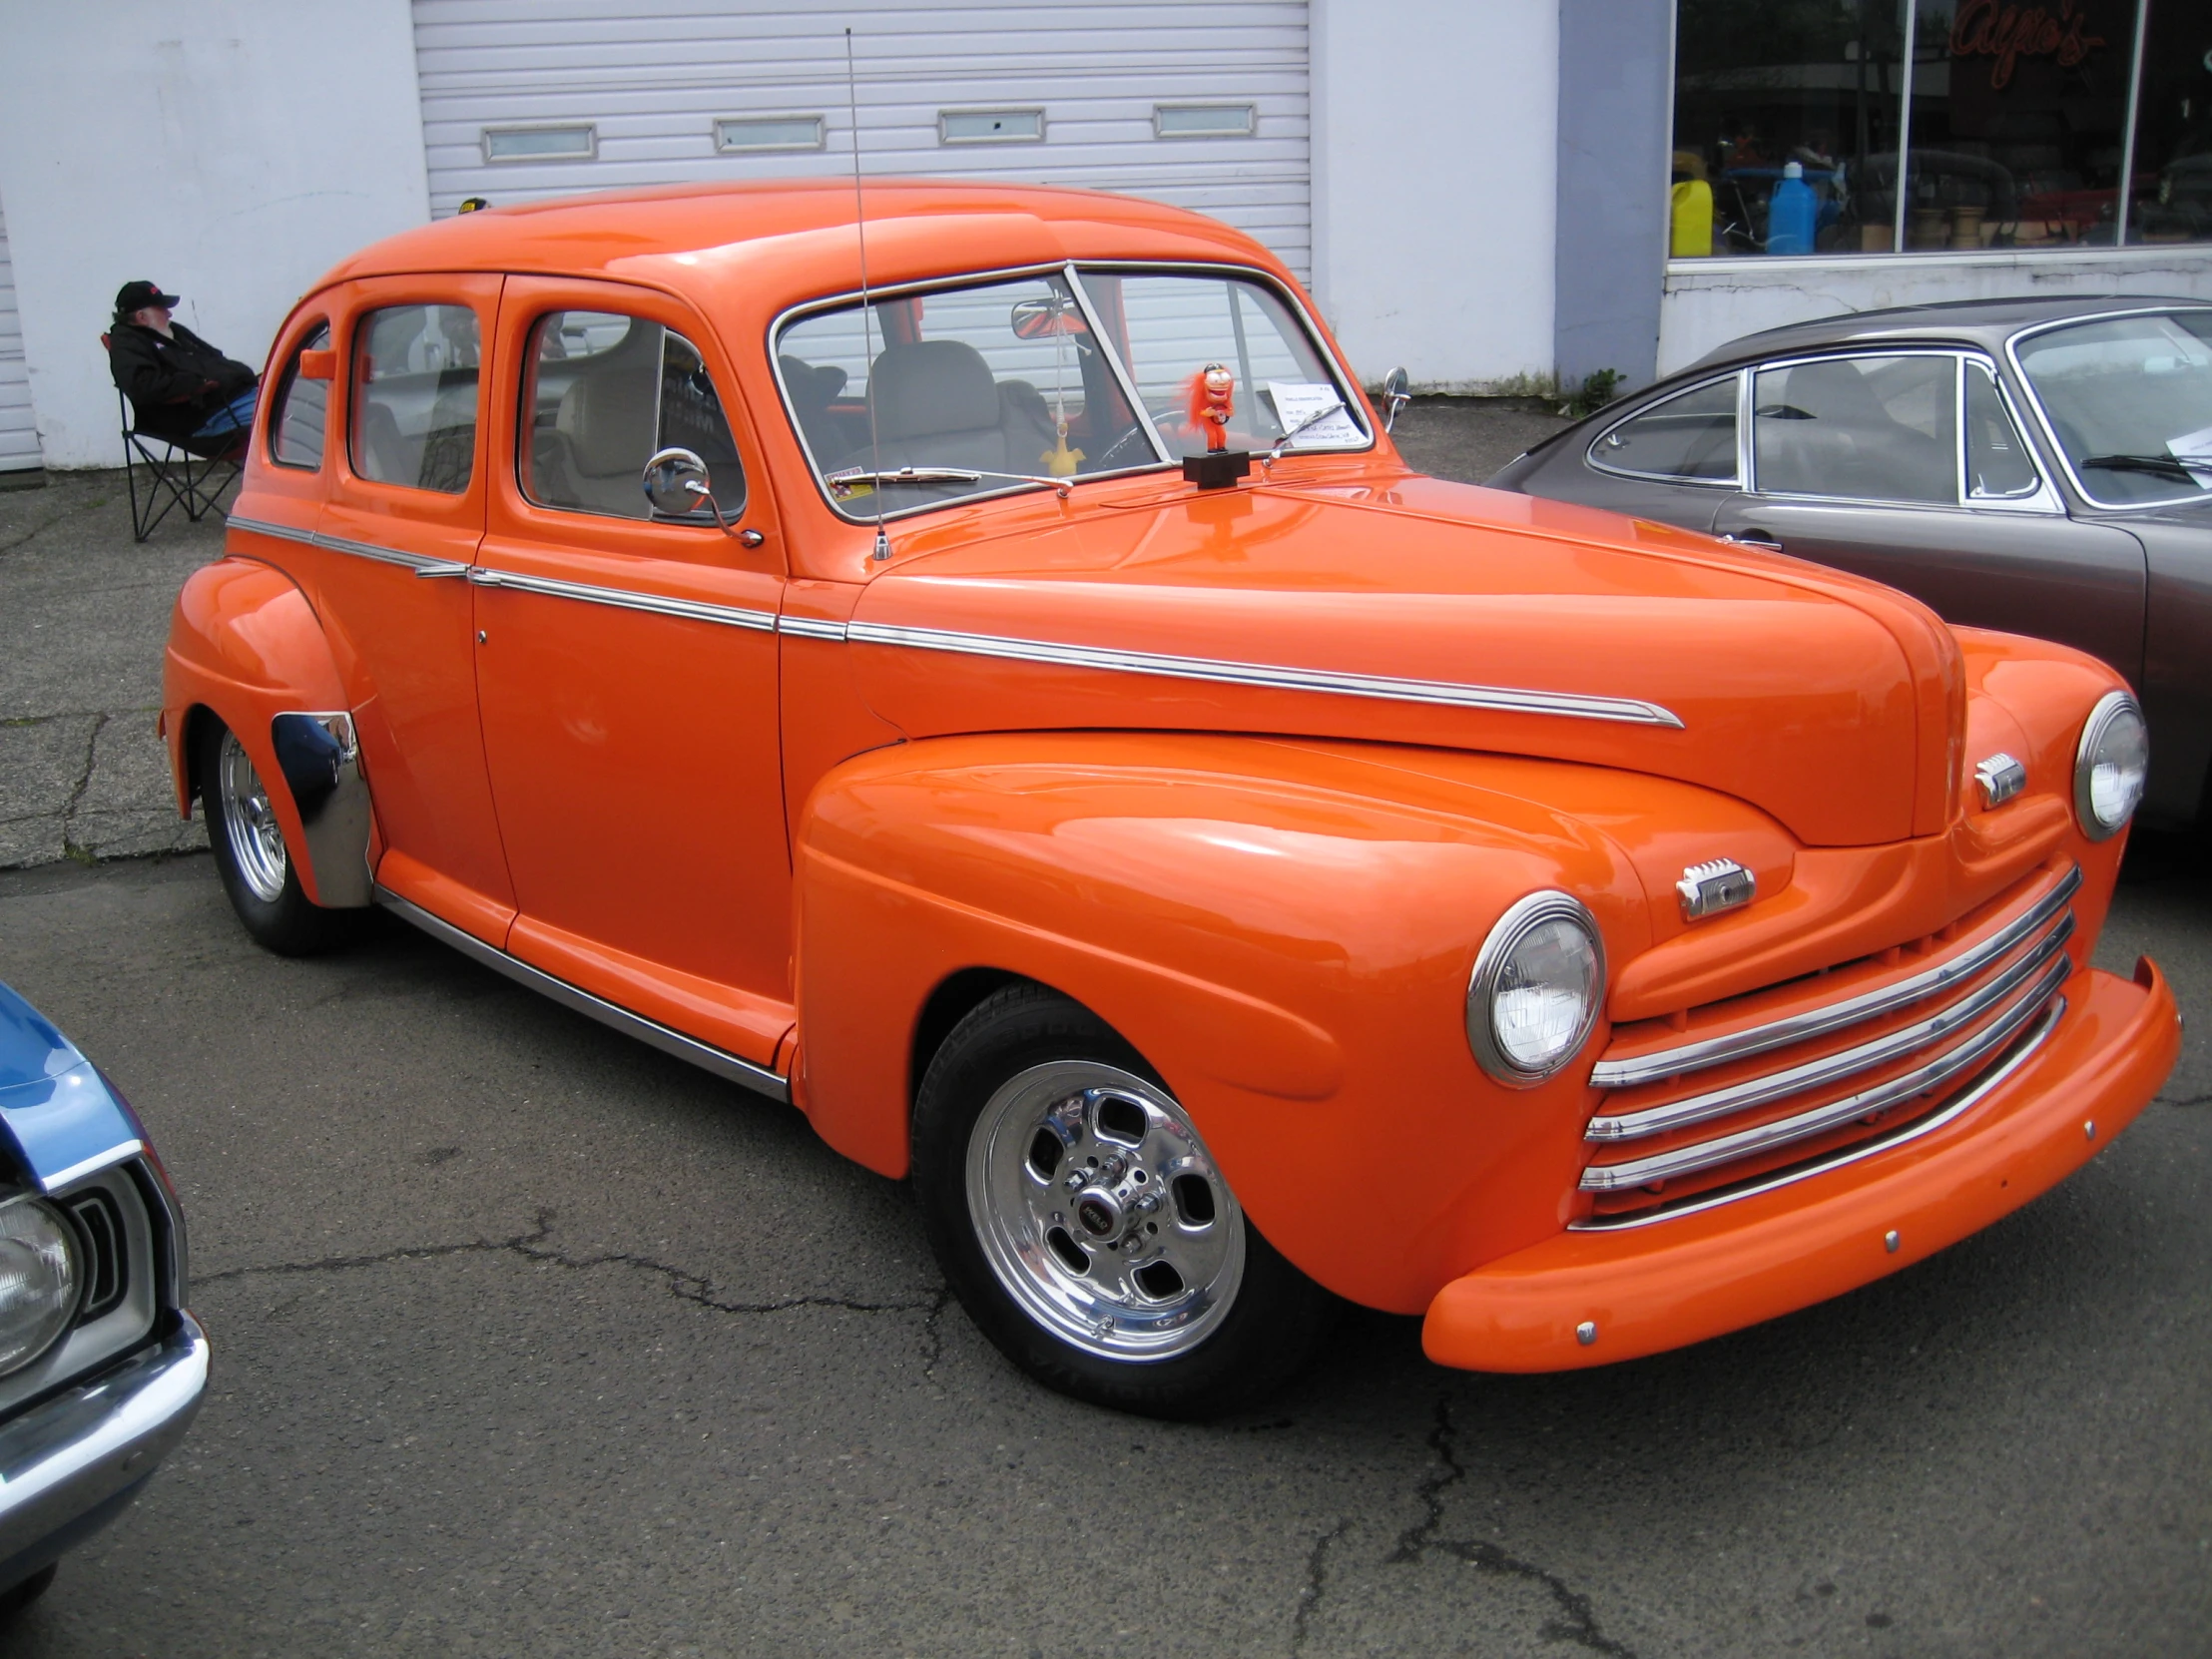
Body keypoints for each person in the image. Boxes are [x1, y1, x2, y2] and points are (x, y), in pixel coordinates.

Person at [106, 281, 259, 453]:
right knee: (284, 419)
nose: (169, 313)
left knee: (289, 399)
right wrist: (196, 383)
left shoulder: (172, 331)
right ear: (141, 317)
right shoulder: (127, 344)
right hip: (209, 417)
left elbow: (215, 357)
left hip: (238, 397)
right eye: (162, 309)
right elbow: (141, 385)